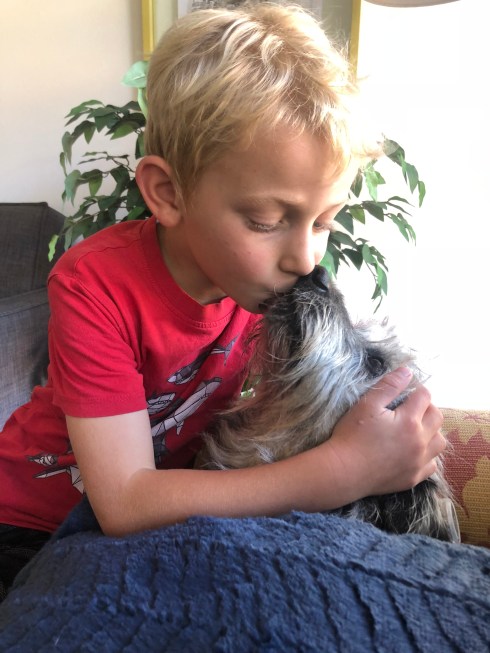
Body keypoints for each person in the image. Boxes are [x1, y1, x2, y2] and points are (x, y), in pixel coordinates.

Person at [0, 2, 444, 597]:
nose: (305, 258)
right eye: (266, 220)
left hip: (156, 518)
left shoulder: (262, 284)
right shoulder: (96, 284)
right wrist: (346, 469)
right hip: (29, 521)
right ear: (168, 193)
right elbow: (126, 503)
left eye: (325, 221)